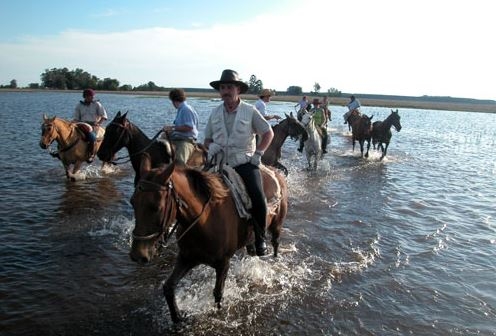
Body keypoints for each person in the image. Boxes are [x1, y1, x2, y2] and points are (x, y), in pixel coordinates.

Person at [204, 69, 274, 256]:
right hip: (218, 164)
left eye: (229, 87)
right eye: (222, 88)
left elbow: (268, 133)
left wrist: (258, 153)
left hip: (244, 163)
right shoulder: (215, 112)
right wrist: (210, 147)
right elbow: (207, 139)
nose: (225, 91)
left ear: (238, 90)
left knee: (258, 197)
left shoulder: (250, 111)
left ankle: (260, 239)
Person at [162, 88, 199, 165]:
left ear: (174, 100)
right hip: (178, 138)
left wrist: (172, 128)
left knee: (179, 162)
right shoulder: (181, 109)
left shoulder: (186, 109)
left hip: (186, 140)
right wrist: (169, 130)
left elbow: (189, 127)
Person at [73, 88, 108, 162]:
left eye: (93, 96)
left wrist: (98, 123)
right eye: (90, 96)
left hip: (93, 126)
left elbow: (104, 116)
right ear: (85, 96)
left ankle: (91, 155)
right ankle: (61, 152)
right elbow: (76, 118)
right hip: (81, 124)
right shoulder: (79, 105)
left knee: (92, 137)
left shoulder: (97, 104)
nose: (92, 97)